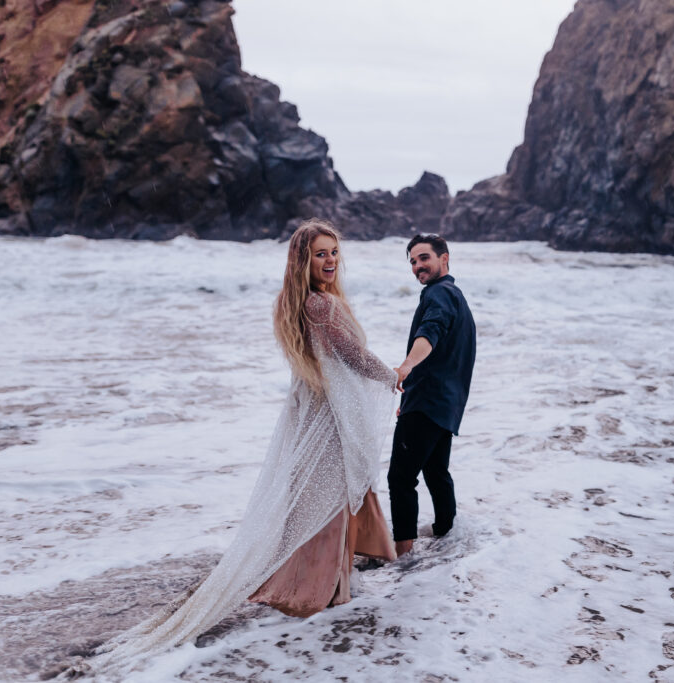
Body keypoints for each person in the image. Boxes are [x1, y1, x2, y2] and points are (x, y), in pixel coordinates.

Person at [78, 219, 397, 675]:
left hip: (318, 413)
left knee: (320, 502)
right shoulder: (322, 306)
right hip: (329, 420)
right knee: (325, 509)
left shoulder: (301, 304)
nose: (329, 261)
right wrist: (396, 377)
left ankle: (322, 587)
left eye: (333, 253)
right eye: (320, 254)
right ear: (303, 261)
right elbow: (355, 358)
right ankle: (316, 593)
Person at [389, 234, 476, 557]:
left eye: (424, 258)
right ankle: (445, 536)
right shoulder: (456, 296)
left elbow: (430, 331)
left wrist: (405, 367)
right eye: (412, 261)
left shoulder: (438, 295)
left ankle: (403, 554)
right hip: (445, 404)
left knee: (400, 478)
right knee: (435, 471)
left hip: (427, 403)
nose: (417, 266)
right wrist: (407, 397)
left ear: (445, 258)